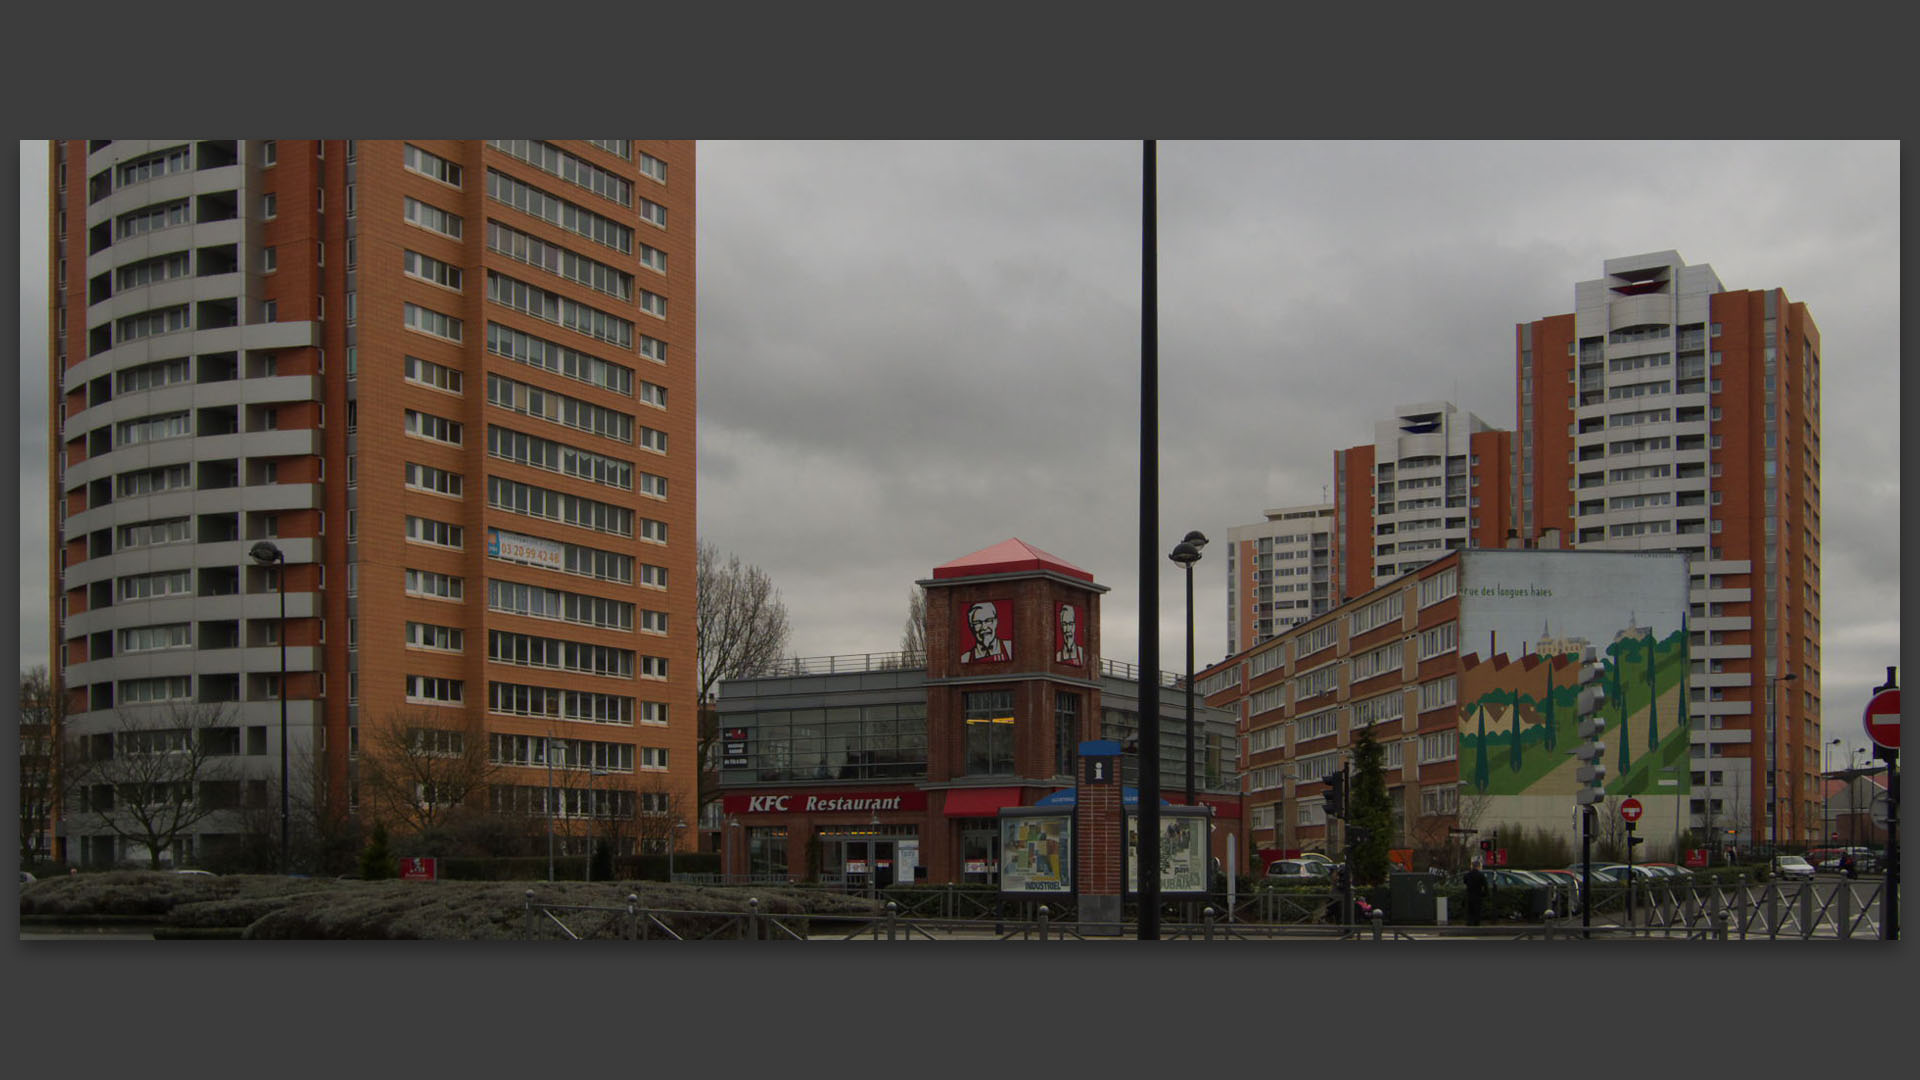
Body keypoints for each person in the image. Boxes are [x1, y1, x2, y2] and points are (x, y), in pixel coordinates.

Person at [1463, 859, 1490, 926]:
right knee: (1477, 911)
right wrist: (1485, 894)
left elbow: (1465, 882)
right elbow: (1485, 885)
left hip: (1470, 895)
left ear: (1472, 866)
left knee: (1470, 911)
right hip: (1478, 895)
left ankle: (1469, 922)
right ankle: (1476, 924)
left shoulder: (1467, 875)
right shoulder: (1481, 875)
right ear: (1478, 866)